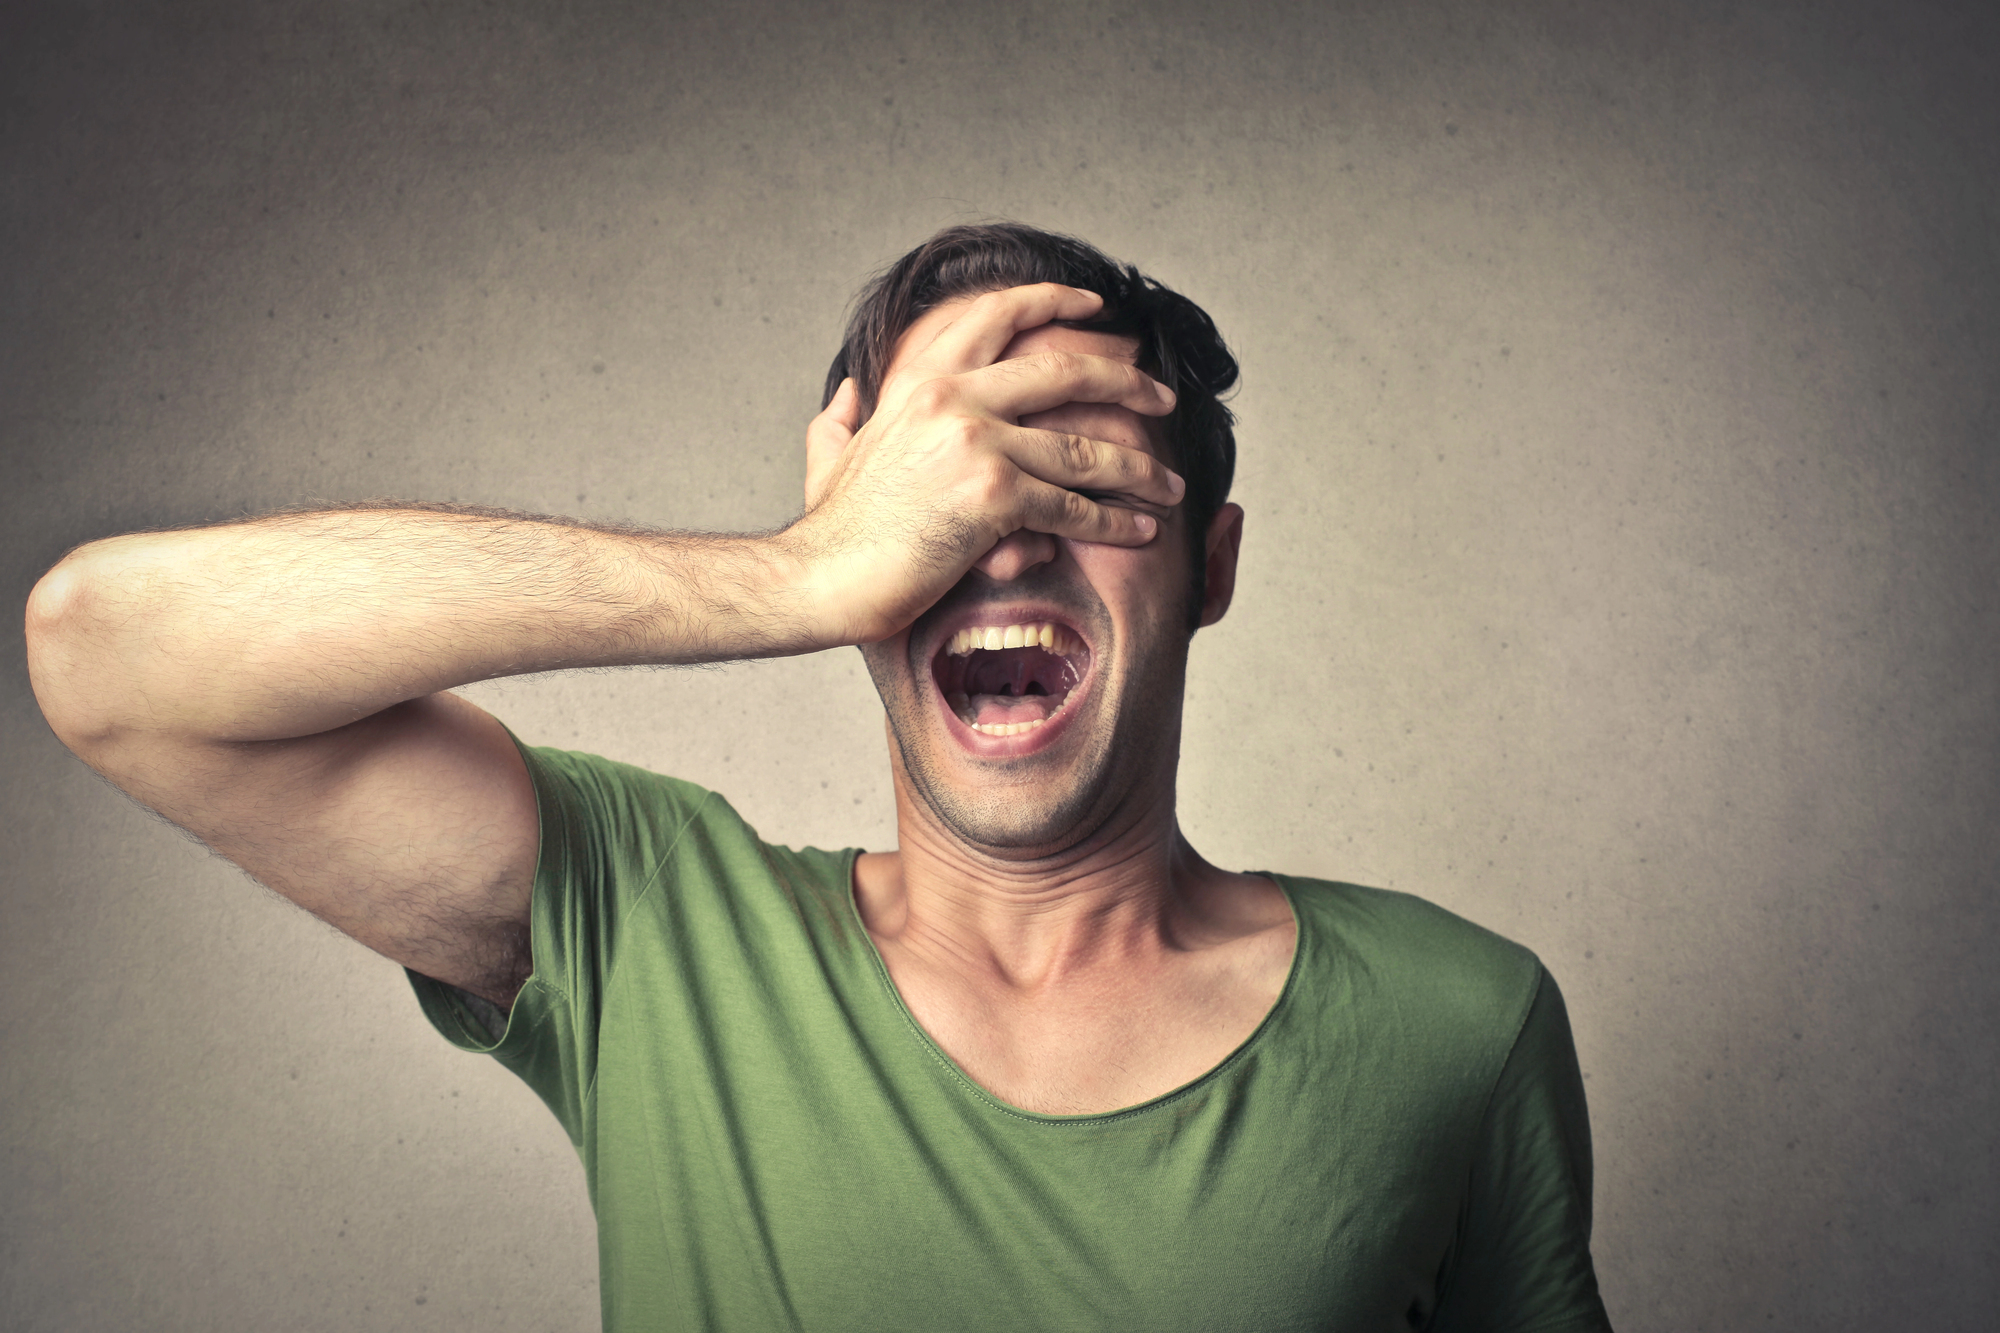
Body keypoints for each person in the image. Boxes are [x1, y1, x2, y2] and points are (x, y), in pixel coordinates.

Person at [25, 223, 1612, 1331]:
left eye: (1078, 460)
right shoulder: (656, 931)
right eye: (942, 472)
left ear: (1211, 562)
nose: (1000, 526)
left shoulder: (1455, 1024)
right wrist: (793, 575)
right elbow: (105, 650)